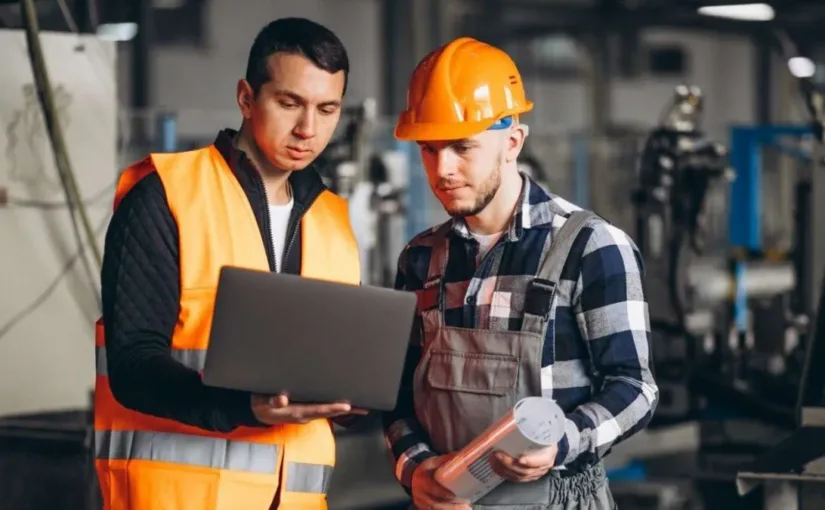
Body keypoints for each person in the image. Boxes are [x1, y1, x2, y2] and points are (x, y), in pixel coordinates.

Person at [95, 17, 367, 510]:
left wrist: (354, 400)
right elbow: (132, 363)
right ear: (246, 98)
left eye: (327, 109)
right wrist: (242, 407)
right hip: (181, 499)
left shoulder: (333, 220)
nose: (308, 129)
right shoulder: (165, 196)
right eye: (289, 103)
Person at [383, 37, 659, 509]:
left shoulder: (590, 247)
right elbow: (398, 395)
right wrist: (415, 468)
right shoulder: (421, 258)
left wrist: (565, 441)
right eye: (429, 149)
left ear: (512, 142)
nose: (442, 168)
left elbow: (635, 387)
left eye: (461, 147)